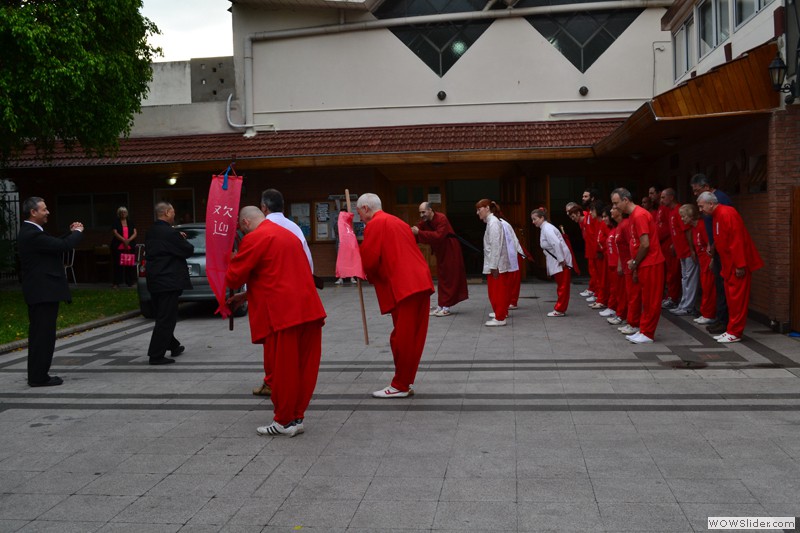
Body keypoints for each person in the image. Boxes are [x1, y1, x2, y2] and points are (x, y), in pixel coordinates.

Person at [226, 206, 326, 436]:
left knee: (283, 370)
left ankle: (283, 420)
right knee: (305, 367)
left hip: (283, 314)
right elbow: (277, 271)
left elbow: (234, 276)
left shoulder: (256, 237)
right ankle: (297, 417)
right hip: (309, 309)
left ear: (245, 223)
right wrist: (246, 295)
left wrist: (230, 259)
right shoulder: (289, 234)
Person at [357, 193, 434, 397]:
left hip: (405, 286)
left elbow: (370, 259)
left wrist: (359, 268)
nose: (360, 219)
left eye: (359, 213)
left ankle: (400, 384)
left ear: (365, 208)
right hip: (419, 281)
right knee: (412, 337)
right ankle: (404, 381)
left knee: (402, 338)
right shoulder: (397, 222)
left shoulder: (375, 224)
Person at [250, 188, 316, 397]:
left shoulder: (261, 229)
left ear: (264, 207)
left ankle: (276, 383)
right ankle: (280, 383)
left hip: (271, 296)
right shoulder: (294, 228)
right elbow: (308, 261)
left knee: (275, 346)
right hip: (297, 294)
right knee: (289, 347)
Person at [17, 197, 84, 387]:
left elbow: (53, 243)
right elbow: (62, 246)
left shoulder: (32, 232)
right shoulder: (31, 233)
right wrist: (78, 233)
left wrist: (70, 233)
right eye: (44, 209)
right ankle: (38, 377)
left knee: (42, 335)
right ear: (33, 212)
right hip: (42, 293)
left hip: (42, 292)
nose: (47, 212)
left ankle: (38, 374)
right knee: (42, 336)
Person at [696, 192, 763, 343]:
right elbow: (722, 240)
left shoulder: (727, 214)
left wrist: (740, 265)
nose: (700, 210)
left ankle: (735, 332)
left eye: (701, 206)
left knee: (737, 300)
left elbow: (737, 240)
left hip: (736, 265)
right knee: (732, 300)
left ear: (710, 204)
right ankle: (731, 330)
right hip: (728, 265)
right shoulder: (717, 215)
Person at [611, 188, 665, 344]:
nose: (615, 207)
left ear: (625, 200)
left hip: (651, 262)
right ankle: (643, 329)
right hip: (646, 263)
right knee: (646, 299)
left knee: (651, 300)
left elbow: (645, 244)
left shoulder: (640, 215)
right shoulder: (635, 215)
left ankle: (647, 333)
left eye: (616, 203)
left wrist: (634, 262)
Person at [144, 202, 194, 365]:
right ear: (166, 212)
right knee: (166, 318)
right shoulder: (170, 233)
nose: (174, 214)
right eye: (172, 212)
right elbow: (188, 250)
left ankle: (174, 345)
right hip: (169, 281)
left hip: (155, 279)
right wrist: (180, 238)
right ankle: (156, 355)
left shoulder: (151, 231)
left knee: (163, 315)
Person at [690, 174, 733, 335]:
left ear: (706, 187)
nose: (700, 210)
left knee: (722, 285)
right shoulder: (711, 207)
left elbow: (724, 231)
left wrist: (714, 245)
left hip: (721, 250)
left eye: (697, 190)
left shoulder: (722, 203)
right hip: (714, 248)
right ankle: (720, 319)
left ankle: (724, 321)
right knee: (718, 284)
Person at [412, 202, 468, 316]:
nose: (422, 215)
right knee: (442, 278)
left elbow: (438, 236)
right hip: (441, 252)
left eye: (423, 212)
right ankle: (441, 305)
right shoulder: (425, 221)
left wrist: (419, 232)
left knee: (449, 277)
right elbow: (417, 228)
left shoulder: (441, 218)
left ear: (430, 210)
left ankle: (446, 307)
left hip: (450, 250)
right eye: (420, 213)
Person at [531, 207, 572, 316]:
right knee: (561, 285)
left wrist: (561, 259)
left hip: (560, 261)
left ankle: (560, 309)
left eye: (535, 219)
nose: (533, 222)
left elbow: (556, 244)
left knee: (562, 286)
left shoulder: (547, 229)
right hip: (558, 260)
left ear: (542, 218)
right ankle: (560, 308)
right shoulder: (545, 228)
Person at [477, 199, 512, 326]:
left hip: (496, 264)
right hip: (494, 263)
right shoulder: (491, 222)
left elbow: (495, 245)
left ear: (487, 208)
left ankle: (500, 317)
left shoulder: (493, 223)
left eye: (479, 209)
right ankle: (499, 312)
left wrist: (493, 266)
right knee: (495, 292)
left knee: (498, 292)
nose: (477, 212)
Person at [682, 203, 715, 324]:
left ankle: (709, 314)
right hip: (702, 260)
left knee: (708, 287)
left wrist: (712, 259)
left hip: (707, 260)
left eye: (684, 216)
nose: (682, 219)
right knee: (705, 286)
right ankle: (706, 312)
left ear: (691, 216)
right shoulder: (695, 228)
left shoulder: (701, 226)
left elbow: (709, 243)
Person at [567, 203, 598, 301]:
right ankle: (595, 291)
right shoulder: (582, 221)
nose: (571, 217)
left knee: (597, 274)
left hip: (595, 251)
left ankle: (598, 294)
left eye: (571, 214)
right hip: (589, 249)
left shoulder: (589, 218)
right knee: (593, 271)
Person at [660, 188, 683, 310]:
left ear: (671, 197)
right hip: (673, 249)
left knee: (675, 274)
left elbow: (684, 231)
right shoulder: (670, 211)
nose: (661, 200)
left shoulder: (679, 210)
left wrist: (675, 244)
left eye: (663, 197)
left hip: (680, 251)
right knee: (671, 273)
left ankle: (675, 298)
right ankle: (672, 297)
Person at [111, 206, 137, 288]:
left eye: (124, 212)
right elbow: (115, 233)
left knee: (129, 265)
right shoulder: (116, 222)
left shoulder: (130, 222)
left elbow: (135, 233)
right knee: (118, 265)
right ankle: (116, 283)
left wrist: (128, 240)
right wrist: (124, 240)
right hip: (118, 246)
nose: (123, 213)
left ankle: (130, 282)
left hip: (129, 246)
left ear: (127, 213)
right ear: (119, 214)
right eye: (121, 212)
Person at [333, 207, 357, 285]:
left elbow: (354, 232)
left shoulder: (350, 223)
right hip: (340, 243)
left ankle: (352, 277)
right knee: (341, 261)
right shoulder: (337, 223)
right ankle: (341, 277)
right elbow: (336, 232)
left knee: (351, 259)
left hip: (349, 244)